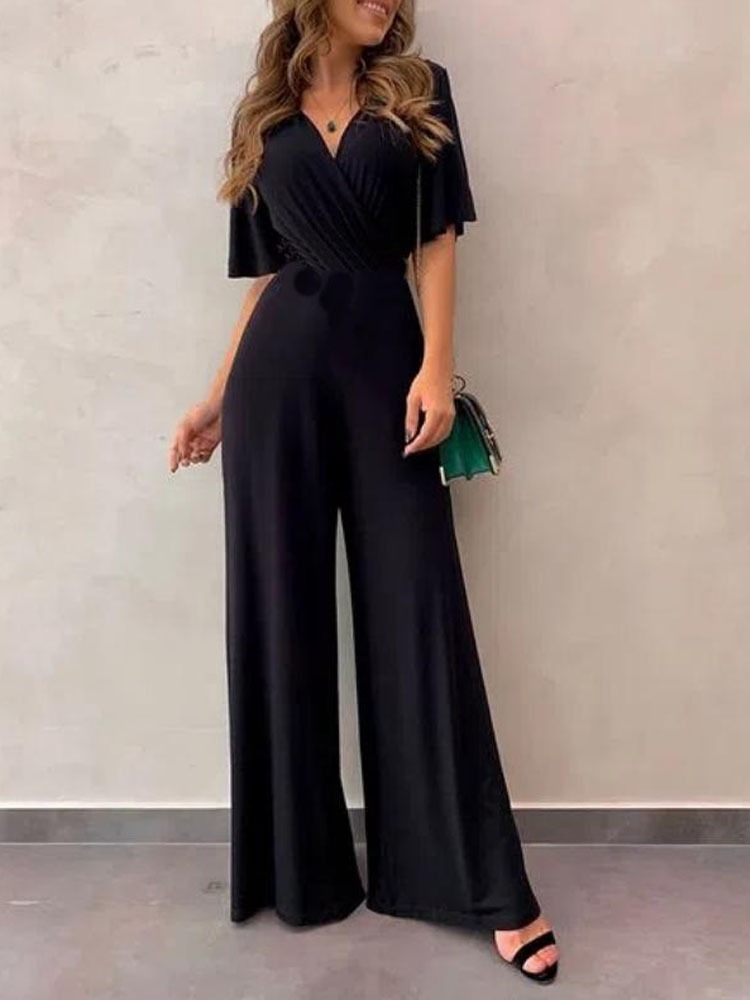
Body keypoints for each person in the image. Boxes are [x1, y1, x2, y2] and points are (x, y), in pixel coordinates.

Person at [168, 0, 559, 985]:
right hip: (277, 378)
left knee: (418, 611)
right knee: (280, 612)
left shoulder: (418, 93)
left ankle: (477, 886)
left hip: (389, 366)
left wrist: (436, 365)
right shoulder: (266, 115)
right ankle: (300, 871)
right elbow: (264, 278)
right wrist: (214, 399)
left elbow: (438, 239)